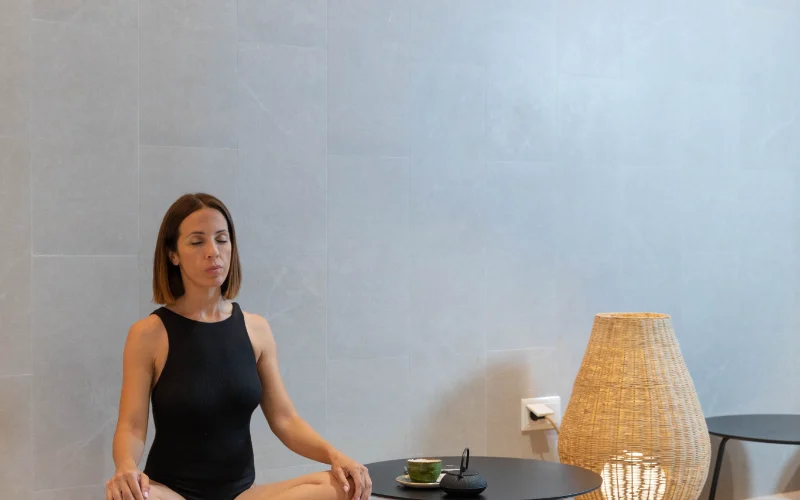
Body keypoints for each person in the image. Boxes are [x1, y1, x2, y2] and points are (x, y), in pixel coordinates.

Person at [107, 193, 373, 500]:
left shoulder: (256, 329)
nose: (213, 252)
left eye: (222, 239)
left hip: (242, 496)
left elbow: (285, 420)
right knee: (127, 497)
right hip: (171, 494)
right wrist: (126, 467)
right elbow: (132, 425)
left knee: (348, 484)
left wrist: (335, 456)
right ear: (173, 254)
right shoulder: (149, 333)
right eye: (197, 242)